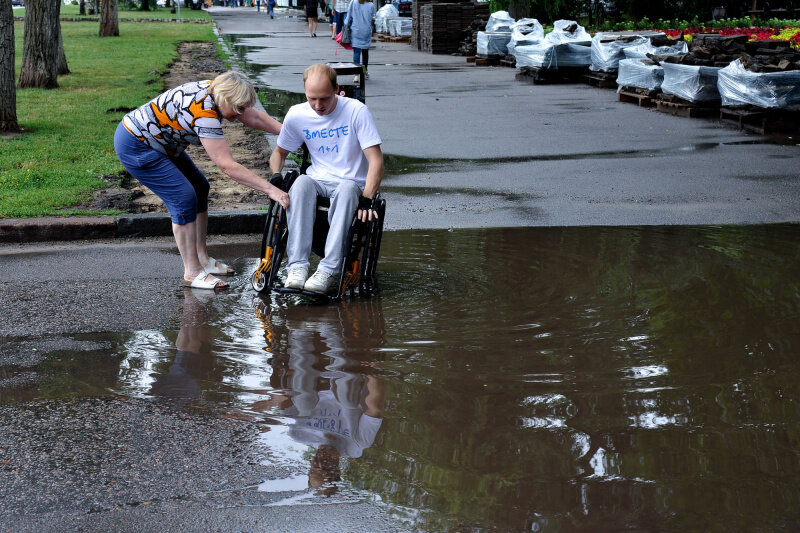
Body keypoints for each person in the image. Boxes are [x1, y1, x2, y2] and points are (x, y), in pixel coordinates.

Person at [114, 71, 289, 290]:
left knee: (199, 187)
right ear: (225, 99)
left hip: (161, 143)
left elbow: (253, 116)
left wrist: (289, 133)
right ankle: (192, 272)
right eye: (238, 109)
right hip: (136, 145)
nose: (241, 114)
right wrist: (271, 190)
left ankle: (202, 259)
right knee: (183, 197)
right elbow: (226, 165)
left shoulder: (219, 89)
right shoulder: (204, 113)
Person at [269, 64, 383, 295]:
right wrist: (276, 176)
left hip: (350, 182)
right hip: (318, 179)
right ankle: (298, 267)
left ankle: (329, 269)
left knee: (347, 189)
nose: (318, 106)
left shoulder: (356, 111)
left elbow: (377, 161)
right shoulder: (298, 114)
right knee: (300, 183)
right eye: (312, 99)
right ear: (305, 92)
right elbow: (279, 153)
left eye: (324, 98)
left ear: (337, 90)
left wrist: (367, 198)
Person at [344, 0, 375, 79]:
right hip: (366, 31)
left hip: (356, 30)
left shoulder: (353, 2)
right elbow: (372, 18)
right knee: (365, 52)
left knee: (356, 52)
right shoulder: (371, 5)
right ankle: (364, 71)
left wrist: (345, 27)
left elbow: (348, 17)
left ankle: (356, 75)